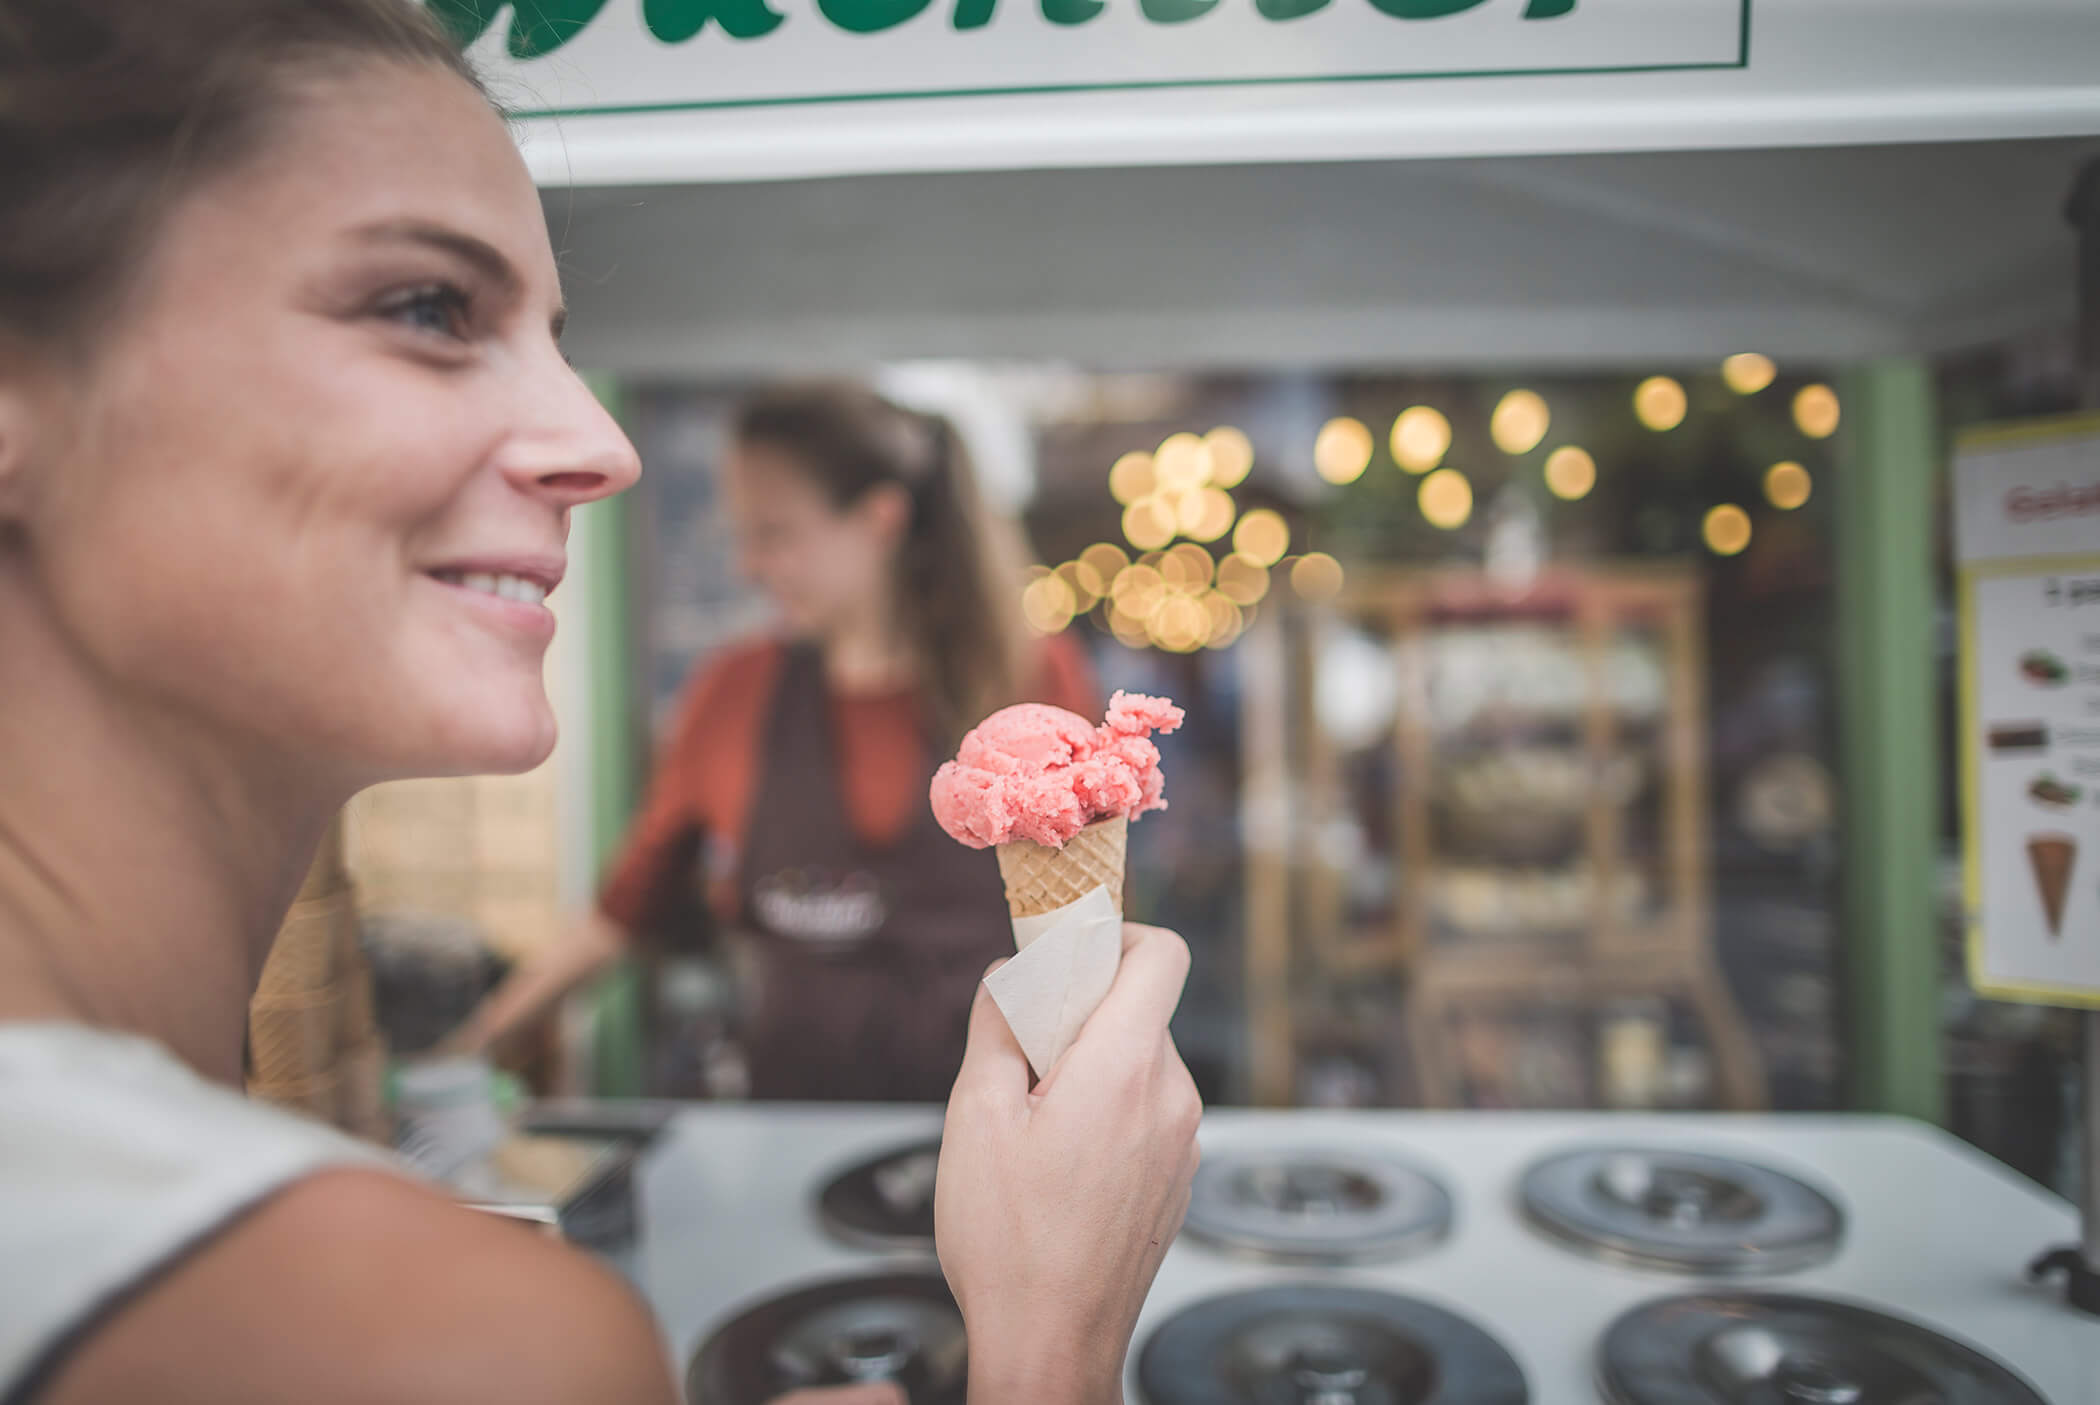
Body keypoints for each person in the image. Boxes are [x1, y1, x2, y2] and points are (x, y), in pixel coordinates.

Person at [0, 4, 1202, 1404]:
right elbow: (632, 899)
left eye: (551, 332)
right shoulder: (454, 1339)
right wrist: (1049, 1353)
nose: (606, 445)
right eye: (428, 307)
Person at [449, 384, 1099, 1102]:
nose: (747, 566)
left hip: (1007, 1128)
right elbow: (626, 908)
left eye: (775, 533)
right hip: (791, 1133)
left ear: (879, 520)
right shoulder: (734, 690)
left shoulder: (1031, 678)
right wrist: (468, 1049)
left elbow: (1089, 928)